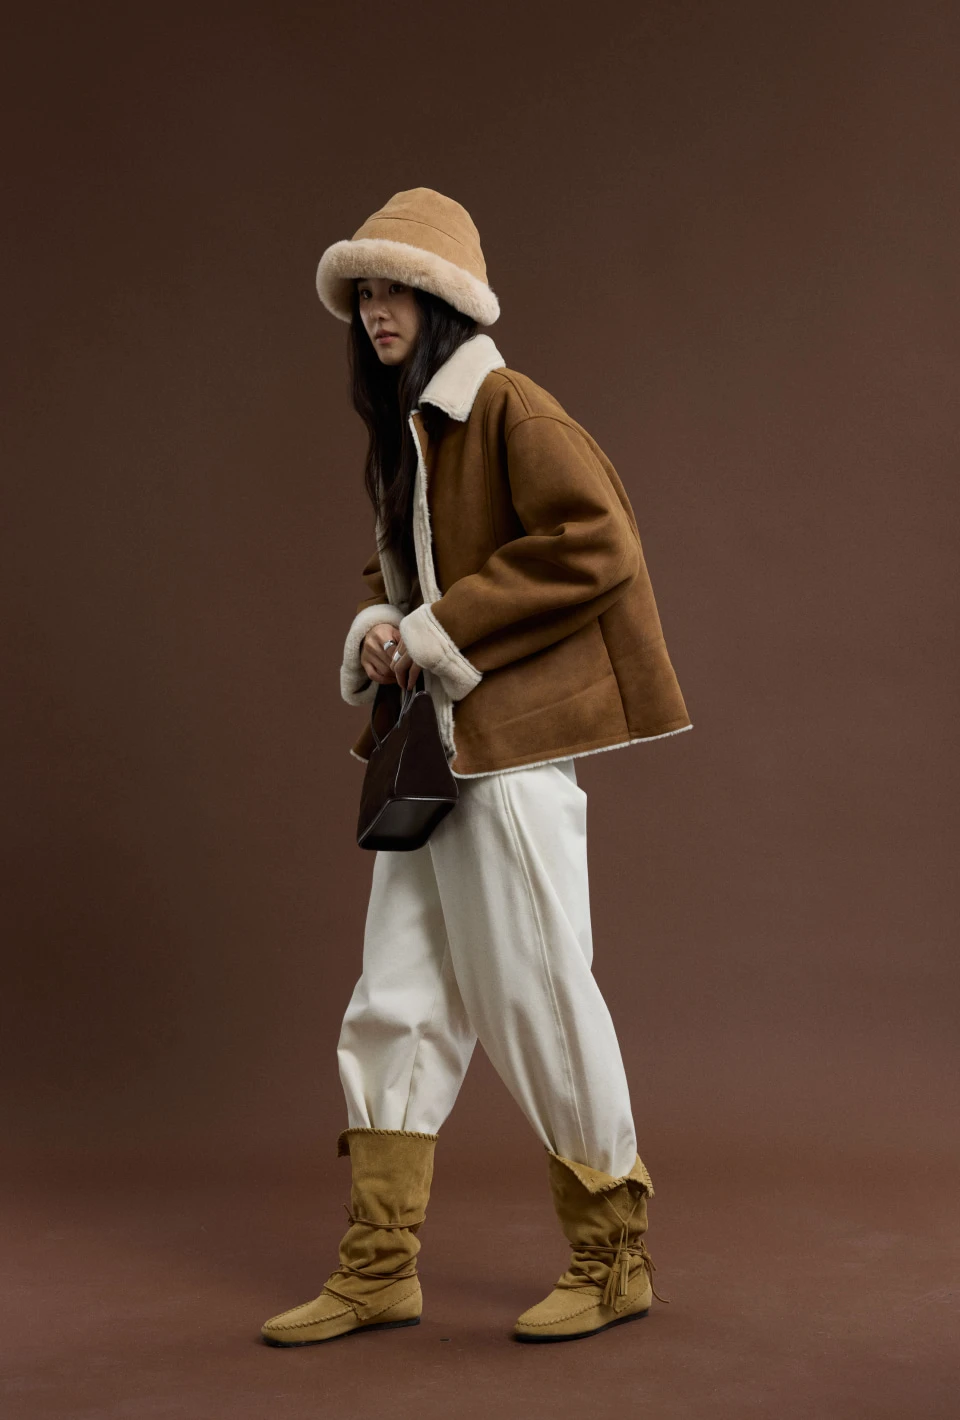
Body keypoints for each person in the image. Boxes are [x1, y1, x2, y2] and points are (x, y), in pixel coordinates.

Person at [260, 187, 692, 1348]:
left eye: (396, 290)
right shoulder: (414, 429)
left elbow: (597, 538)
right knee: (393, 1001)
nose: (375, 310)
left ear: (445, 300)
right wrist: (382, 630)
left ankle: (613, 1256)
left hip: (511, 757)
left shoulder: (507, 406)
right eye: (365, 293)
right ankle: (378, 1266)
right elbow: (399, 575)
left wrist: (438, 630)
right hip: (434, 760)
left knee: (539, 999)